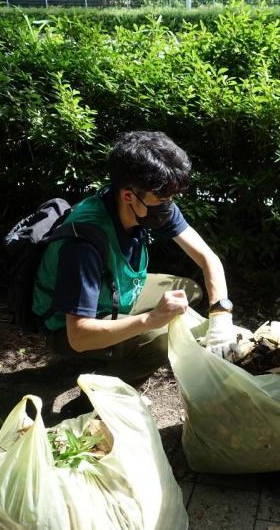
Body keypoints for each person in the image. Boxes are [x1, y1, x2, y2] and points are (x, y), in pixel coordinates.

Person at [33, 131, 239, 389]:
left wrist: (221, 315)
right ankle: (95, 397)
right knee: (161, 340)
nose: (168, 207)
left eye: (171, 199)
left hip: (115, 294)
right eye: (162, 200)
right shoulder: (83, 243)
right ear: (128, 194)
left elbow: (208, 258)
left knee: (189, 290)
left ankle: (116, 346)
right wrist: (150, 320)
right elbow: (78, 336)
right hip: (67, 328)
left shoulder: (145, 205)